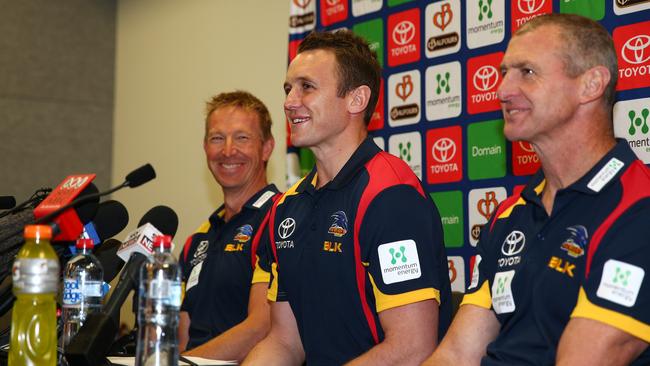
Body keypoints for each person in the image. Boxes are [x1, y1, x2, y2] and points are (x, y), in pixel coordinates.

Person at [424, 13, 650, 366]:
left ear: (591, 85)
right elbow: (455, 355)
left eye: (527, 73)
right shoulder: (511, 212)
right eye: (503, 73)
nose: (502, 91)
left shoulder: (638, 209)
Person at [243, 30, 452, 366]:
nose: (289, 101)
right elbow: (284, 342)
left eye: (307, 87)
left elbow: (412, 348)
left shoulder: (390, 196)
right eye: (288, 88)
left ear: (357, 99)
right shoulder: (286, 208)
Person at [178, 91, 280, 362]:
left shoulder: (281, 220)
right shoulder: (197, 239)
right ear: (205, 147)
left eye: (242, 137)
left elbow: (263, 326)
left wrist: (185, 363)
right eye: (217, 138)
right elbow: (183, 334)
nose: (227, 151)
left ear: (267, 147)